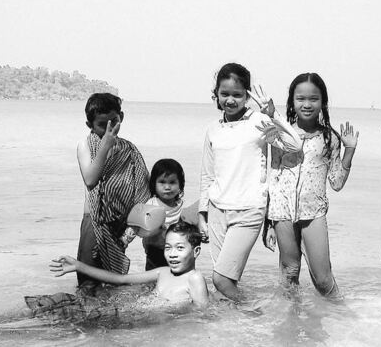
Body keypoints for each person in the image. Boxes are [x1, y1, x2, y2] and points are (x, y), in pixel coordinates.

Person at [0, 222, 208, 333]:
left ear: (195, 251)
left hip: (133, 317)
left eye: (180, 248)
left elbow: (202, 314)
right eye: (169, 247)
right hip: (118, 308)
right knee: (57, 301)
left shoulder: (194, 279)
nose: (172, 254)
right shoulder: (163, 272)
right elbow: (119, 280)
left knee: (63, 318)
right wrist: (80, 266)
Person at [199, 62, 302, 301]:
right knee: (224, 283)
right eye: (225, 94)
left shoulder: (258, 120)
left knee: (220, 280)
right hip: (217, 210)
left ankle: (255, 313)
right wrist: (202, 213)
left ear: (247, 95)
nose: (231, 100)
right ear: (216, 94)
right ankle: (234, 333)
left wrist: (273, 115)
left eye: (237, 94)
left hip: (249, 210)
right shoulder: (212, 129)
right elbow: (207, 174)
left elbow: (294, 146)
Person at [262, 72, 358, 298]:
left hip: (313, 213)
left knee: (323, 280)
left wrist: (349, 150)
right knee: (289, 272)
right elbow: (273, 177)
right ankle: (290, 325)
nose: (306, 104)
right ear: (292, 102)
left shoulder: (329, 138)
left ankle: (339, 319)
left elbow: (336, 182)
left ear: (323, 102)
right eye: (300, 99)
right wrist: (268, 222)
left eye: (313, 99)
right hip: (282, 212)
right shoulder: (280, 134)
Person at [76, 93, 151, 290]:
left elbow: (144, 195)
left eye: (114, 122)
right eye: (102, 125)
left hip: (119, 227)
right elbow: (90, 180)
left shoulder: (129, 150)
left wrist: (127, 235)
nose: (109, 129)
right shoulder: (85, 145)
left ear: (122, 118)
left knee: (112, 285)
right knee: (88, 284)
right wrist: (105, 145)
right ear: (89, 124)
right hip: (94, 224)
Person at [142, 158, 187, 270]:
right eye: (162, 182)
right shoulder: (151, 205)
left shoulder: (181, 207)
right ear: (154, 184)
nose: (167, 187)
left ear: (180, 185)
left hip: (177, 252)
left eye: (172, 182)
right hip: (155, 251)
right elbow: (140, 228)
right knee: (152, 282)